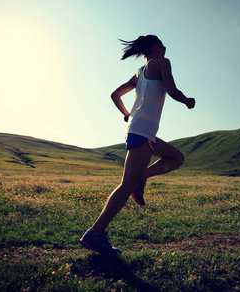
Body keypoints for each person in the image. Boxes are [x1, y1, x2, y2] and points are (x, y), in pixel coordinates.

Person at [80, 35, 195, 254]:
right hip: (142, 131)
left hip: (142, 131)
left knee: (176, 158)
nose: (165, 49)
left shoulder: (139, 73)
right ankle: (95, 233)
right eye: (163, 46)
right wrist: (187, 100)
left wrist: (127, 115)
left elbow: (115, 95)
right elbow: (172, 90)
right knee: (126, 185)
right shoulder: (161, 63)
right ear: (155, 47)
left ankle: (142, 177)